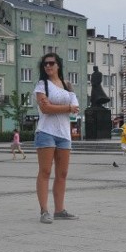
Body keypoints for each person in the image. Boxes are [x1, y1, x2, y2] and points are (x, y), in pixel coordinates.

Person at [34, 53, 79, 224]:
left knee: (63, 173)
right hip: (46, 132)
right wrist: (67, 107)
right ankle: (44, 211)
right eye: (45, 64)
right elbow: (45, 109)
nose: (48, 66)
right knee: (45, 171)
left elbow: (76, 107)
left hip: (64, 134)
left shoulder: (67, 85)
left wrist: (59, 107)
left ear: (58, 65)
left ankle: (59, 210)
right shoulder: (41, 85)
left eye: (51, 63)